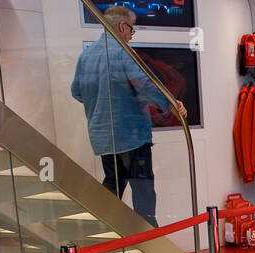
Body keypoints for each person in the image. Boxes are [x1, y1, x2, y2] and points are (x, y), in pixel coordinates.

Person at [70, 4, 186, 227]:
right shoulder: (123, 53)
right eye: (132, 31)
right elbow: (146, 86)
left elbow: (77, 92)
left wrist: (104, 105)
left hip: (103, 137)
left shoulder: (86, 56)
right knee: (143, 193)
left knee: (113, 186)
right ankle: (150, 245)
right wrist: (170, 104)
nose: (131, 37)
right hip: (132, 136)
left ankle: (104, 235)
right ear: (122, 26)